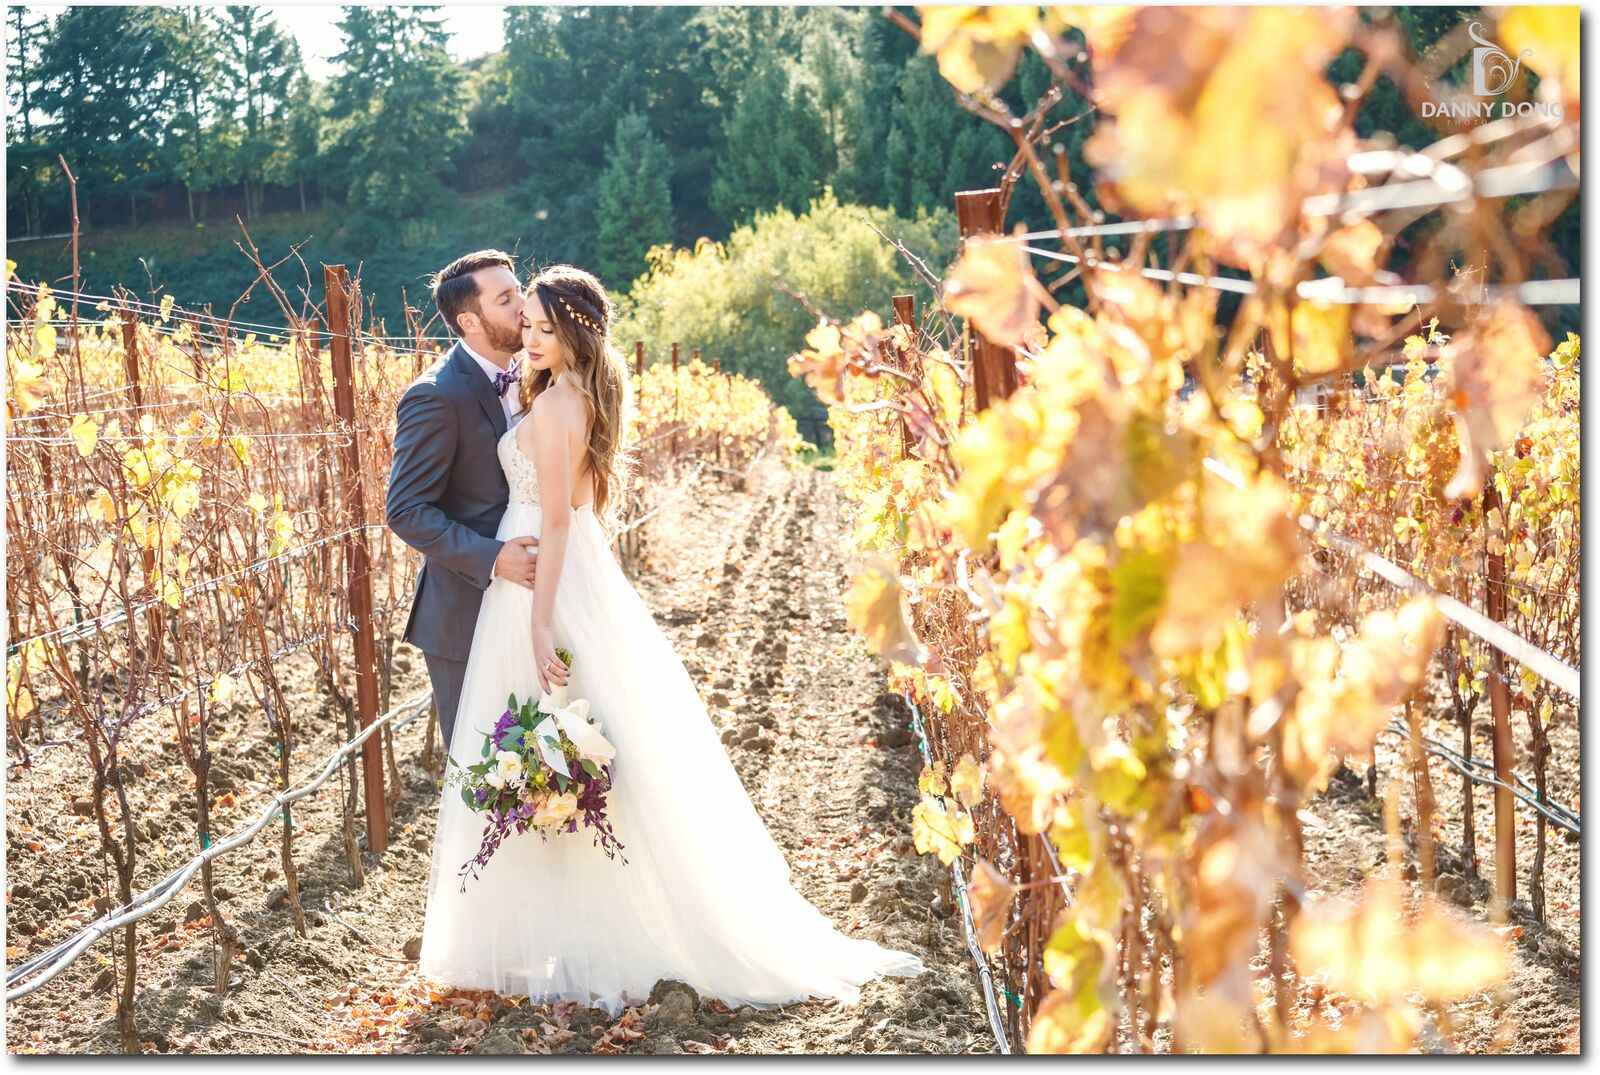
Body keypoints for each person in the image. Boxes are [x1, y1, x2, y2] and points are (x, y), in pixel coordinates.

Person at [416, 263, 927, 1014]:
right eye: (523, 322)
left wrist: (535, 614)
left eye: (541, 328)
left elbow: (557, 517)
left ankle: (585, 928)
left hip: (539, 579)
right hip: (549, 571)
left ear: (574, 337)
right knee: (558, 743)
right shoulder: (573, 392)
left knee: (556, 738)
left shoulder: (558, 402)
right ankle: (563, 922)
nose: (527, 336)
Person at [386, 250, 542, 746]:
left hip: (541, 599)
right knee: (489, 770)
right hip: (467, 613)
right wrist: (495, 559)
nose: (523, 304)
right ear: (469, 321)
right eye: (506, 298)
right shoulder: (435, 395)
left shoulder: (540, 372)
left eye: (518, 289)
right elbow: (407, 510)